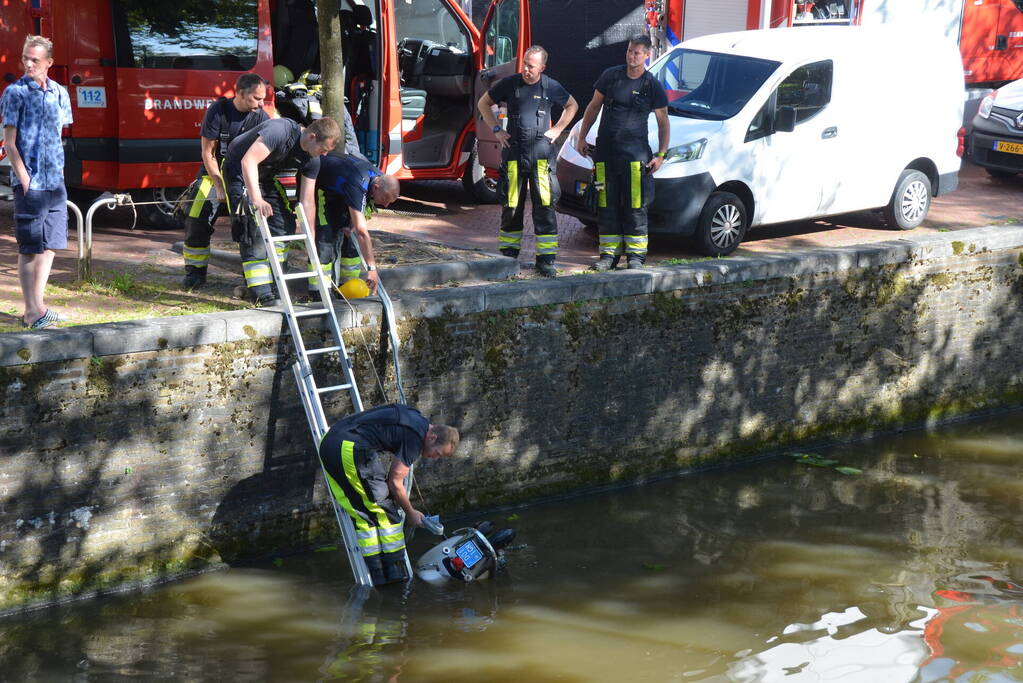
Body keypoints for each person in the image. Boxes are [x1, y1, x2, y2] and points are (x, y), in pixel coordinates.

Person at [318, 404, 460, 585]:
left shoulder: (415, 416)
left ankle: (378, 575)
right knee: (386, 509)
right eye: (437, 453)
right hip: (350, 448)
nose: (434, 458)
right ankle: (395, 571)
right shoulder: (416, 439)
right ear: (432, 436)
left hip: (329, 443)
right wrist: (410, 513)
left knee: (362, 511)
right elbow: (395, 482)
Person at [476, 45, 577, 277]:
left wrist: (558, 129)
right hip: (513, 154)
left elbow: (572, 105)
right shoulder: (510, 84)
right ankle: (508, 258)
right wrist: (497, 130)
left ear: (542, 67)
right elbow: (483, 103)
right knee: (511, 207)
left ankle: (546, 260)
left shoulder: (551, 86)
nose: (526, 69)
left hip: (541, 157)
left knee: (544, 208)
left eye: (531, 66)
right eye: (524, 64)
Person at [576, 34, 670, 270]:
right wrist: (582, 137)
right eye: (629, 51)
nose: (631, 56)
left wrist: (661, 154)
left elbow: (663, 122)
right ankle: (608, 256)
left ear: (647, 55)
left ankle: (636, 257)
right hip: (605, 156)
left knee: (635, 207)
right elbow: (593, 107)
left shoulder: (652, 85)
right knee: (606, 206)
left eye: (637, 53)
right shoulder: (610, 76)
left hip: (635, 159)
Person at [223, 116, 340, 306]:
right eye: (323, 149)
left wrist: (309, 236)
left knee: (284, 225)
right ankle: (261, 293)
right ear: (312, 137)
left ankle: (277, 283)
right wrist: (256, 199)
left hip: (266, 177)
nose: (324, 154)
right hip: (239, 171)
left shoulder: (313, 160)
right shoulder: (280, 131)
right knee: (253, 227)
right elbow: (248, 162)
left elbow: (307, 201)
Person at [1, 35, 73, 329]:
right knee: (30, 247)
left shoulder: (59, 93)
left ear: (49, 62)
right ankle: (31, 311)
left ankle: (39, 307)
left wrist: (61, 174)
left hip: (55, 182)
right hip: (31, 182)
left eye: (35, 60)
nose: (28, 64)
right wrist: (24, 178)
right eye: (25, 58)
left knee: (50, 246)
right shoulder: (14, 93)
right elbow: (9, 142)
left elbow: (58, 136)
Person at [181, 73, 270, 289]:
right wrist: (219, 185)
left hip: (242, 176)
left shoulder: (261, 117)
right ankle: (195, 275)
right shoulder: (217, 111)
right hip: (213, 174)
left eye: (263, 99)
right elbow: (207, 152)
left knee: (249, 224)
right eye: (257, 98)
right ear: (240, 93)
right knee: (197, 217)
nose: (261, 104)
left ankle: (254, 283)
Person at [313, 151, 401, 296]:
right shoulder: (359, 183)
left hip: (342, 191)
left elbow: (362, 207)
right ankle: (319, 291)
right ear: (376, 188)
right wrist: (372, 269)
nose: (385, 205)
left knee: (350, 238)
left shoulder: (378, 178)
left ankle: (345, 287)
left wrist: (352, 224)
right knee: (326, 239)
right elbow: (362, 232)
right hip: (321, 186)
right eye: (385, 199)